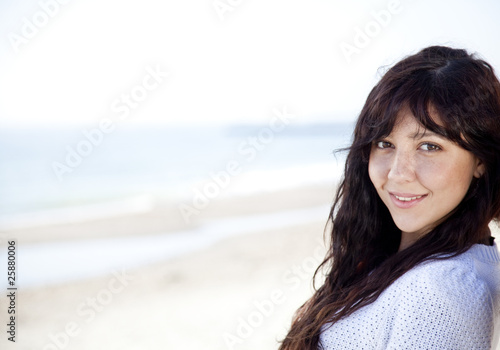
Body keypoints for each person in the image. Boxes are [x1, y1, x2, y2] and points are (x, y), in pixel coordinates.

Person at [279, 46, 500, 349]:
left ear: (480, 160)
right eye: (385, 143)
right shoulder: (414, 260)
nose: (398, 173)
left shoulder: (441, 290)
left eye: (429, 146)